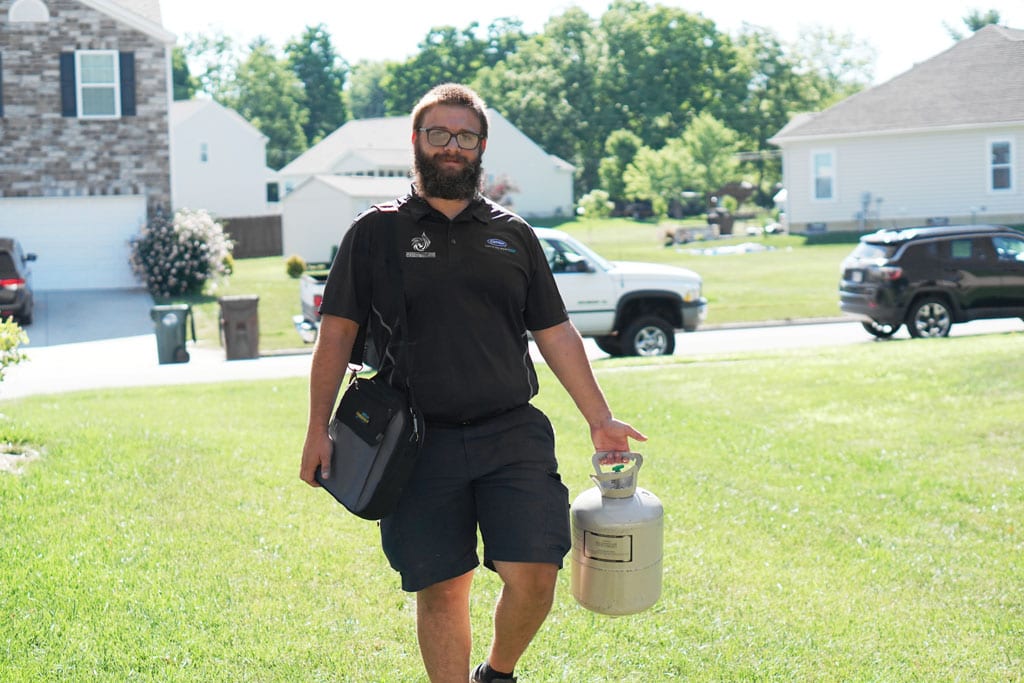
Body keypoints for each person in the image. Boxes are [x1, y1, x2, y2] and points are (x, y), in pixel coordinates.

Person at [300, 83, 646, 683]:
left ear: (481, 146)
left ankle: (498, 673)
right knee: (442, 587)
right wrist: (316, 429)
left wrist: (599, 417)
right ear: (417, 142)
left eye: (465, 136)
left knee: (536, 573)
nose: (451, 147)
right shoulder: (375, 233)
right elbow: (335, 337)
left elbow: (557, 333)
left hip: (510, 431)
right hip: (415, 439)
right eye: (439, 134)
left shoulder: (513, 235)